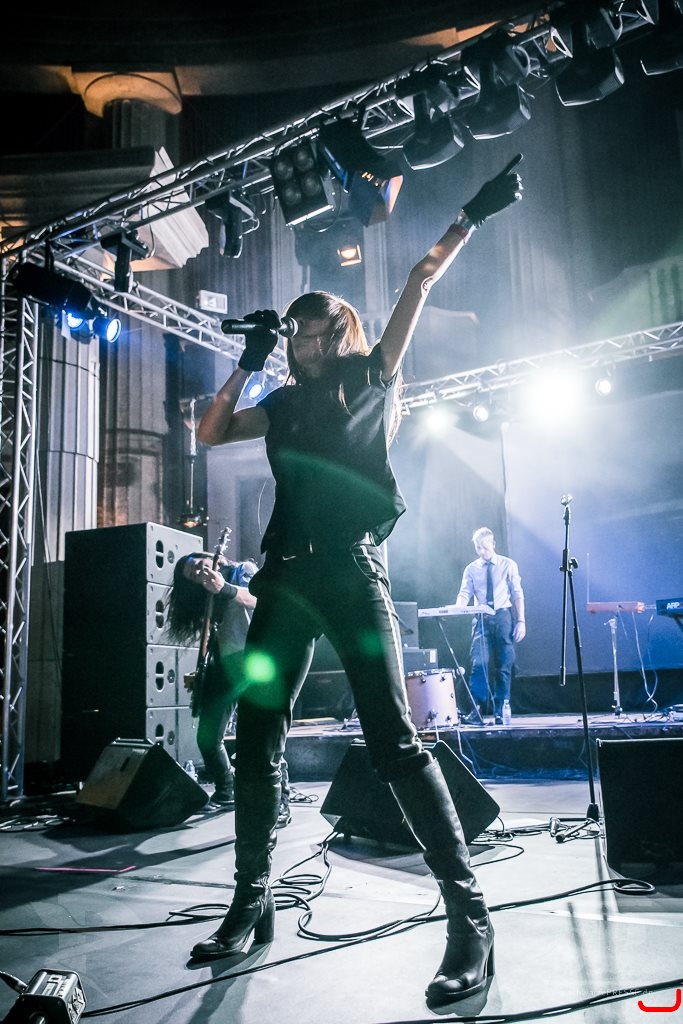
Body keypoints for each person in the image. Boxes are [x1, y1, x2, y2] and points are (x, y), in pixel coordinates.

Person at [190, 155, 524, 1006]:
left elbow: (416, 279)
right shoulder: (282, 402)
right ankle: (251, 898)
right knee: (258, 737)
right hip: (285, 581)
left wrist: (469, 217)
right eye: (292, 335)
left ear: (335, 333)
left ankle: (469, 919)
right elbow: (211, 432)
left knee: (394, 742)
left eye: (311, 332)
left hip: (350, 571)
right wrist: (247, 360)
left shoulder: (369, 376)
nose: (301, 342)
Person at [167, 551, 291, 824]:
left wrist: (224, 588)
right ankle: (226, 791)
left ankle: (280, 800)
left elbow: (259, 600)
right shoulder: (207, 596)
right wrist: (202, 671)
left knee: (266, 734)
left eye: (197, 565)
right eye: (192, 575)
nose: (198, 572)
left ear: (208, 556)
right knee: (207, 736)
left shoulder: (242, 570)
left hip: (254, 660)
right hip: (225, 666)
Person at [455, 527, 526, 726]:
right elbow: (465, 593)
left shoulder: (508, 565)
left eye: (485, 547)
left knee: (504, 665)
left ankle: (501, 710)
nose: (481, 551)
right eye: (478, 548)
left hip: (503, 617)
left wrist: (521, 621)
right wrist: (458, 607)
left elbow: (517, 593)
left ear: (493, 544)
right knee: (479, 663)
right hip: (481, 618)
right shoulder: (471, 569)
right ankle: (476, 710)